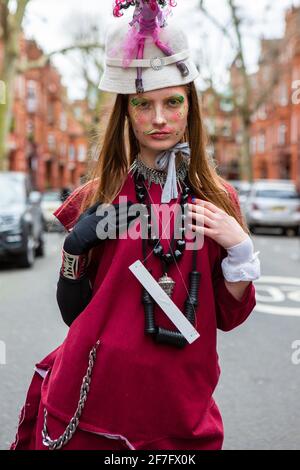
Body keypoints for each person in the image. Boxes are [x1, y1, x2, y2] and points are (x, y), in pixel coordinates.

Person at [10, 0, 261, 451]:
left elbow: (227, 316)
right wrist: (73, 253)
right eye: (144, 104)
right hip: (90, 403)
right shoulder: (97, 195)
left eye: (172, 102)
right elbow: (73, 313)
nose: (159, 118)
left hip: (181, 411)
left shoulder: (219, 200)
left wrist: (241, 250)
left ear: (191, 108)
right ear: (126, 112)